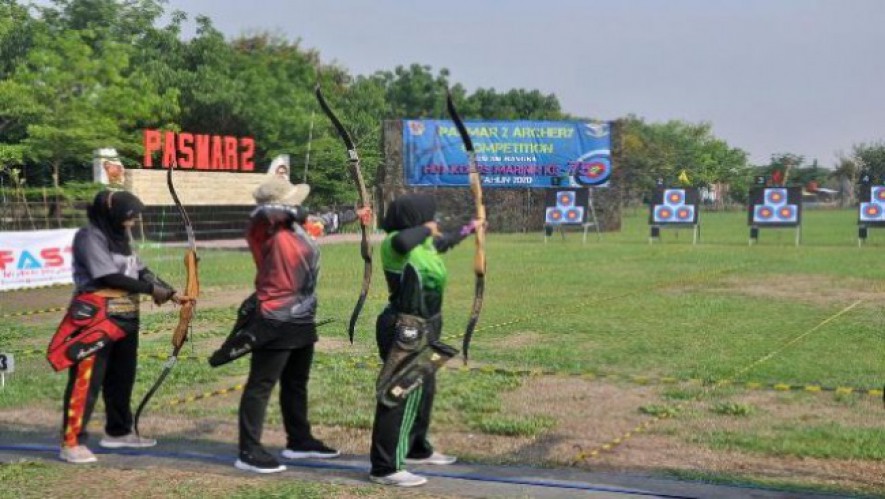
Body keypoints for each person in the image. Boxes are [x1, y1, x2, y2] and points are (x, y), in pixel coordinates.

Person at [56, 190, 182, 464]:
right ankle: (72, 442)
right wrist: (152, 290)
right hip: (95, 318)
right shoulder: (90, 236)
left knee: (121, 379)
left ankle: (118, 431)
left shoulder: (121, 237)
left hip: (125, 317)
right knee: (87, 381)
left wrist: (170, 292)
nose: (132, 222)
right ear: (111, 214)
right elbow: (108, 276)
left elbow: (139, 269)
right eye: (129, 217)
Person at [369, 193, 479, 487]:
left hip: (428, 327)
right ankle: (385, 467)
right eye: (428, 216)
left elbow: (444, 242)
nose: (433, 221)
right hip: (405, 329)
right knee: (398, 392)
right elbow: (406, 241)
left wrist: (472, 228)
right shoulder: (395, 242)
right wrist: (429, 228)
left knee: (424, 389)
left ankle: (417, 448)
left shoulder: (425, 243)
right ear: (415, 218)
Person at [234, 177, 342, 474]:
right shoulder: (263, 226)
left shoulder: (291, 228)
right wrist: (299, 212)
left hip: (301, 314)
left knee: (296, 382)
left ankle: (299, 440)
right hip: (275, 315)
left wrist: (353, 215)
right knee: (261, 383)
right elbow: (268, 213)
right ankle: (249, 450)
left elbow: (314, 224)